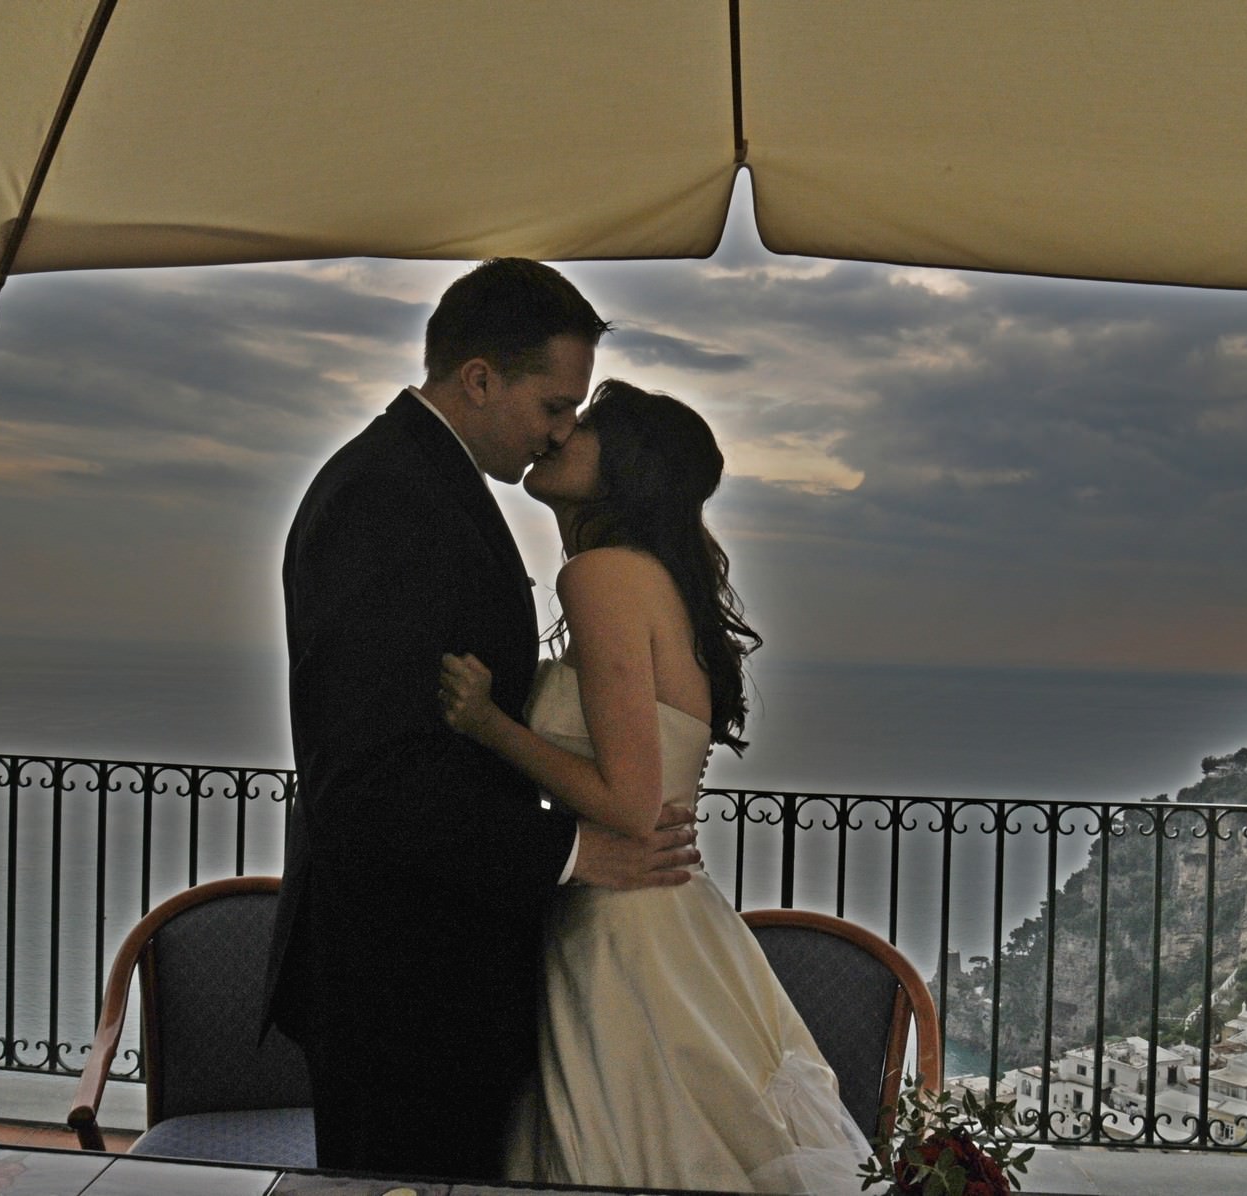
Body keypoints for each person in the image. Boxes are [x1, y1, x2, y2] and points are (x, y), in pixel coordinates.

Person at [264, 259, 702, 1181]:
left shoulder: (420, 485)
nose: (560, 431)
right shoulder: (386, 500)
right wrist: (578, 855)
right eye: (552, 405)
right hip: (401, 984)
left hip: (437, 977)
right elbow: (372, 785)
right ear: (478, 379)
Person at [439, 380, 876, 1192]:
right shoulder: (648, 576)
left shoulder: (602, 576)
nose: (563, 432)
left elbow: (631, 804)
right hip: (665, 912)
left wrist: (489, 724)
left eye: (589, 423)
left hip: (626, 927)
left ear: (628, 464)